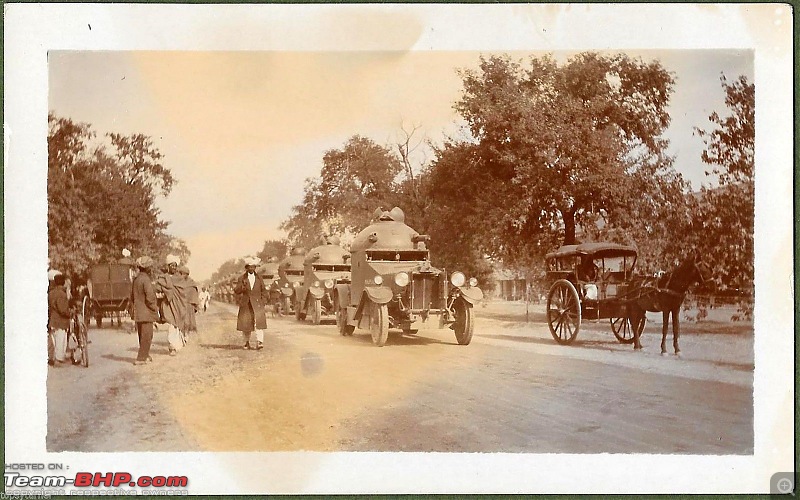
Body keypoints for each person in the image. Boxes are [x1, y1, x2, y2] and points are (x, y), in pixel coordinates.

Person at [154, 254, 188, 356]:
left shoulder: (180, 278)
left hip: (178, 305)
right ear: (168, 266)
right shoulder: (163, 278)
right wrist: (164, 293)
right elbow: (157, 288)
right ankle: (172, 346)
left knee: (176, 324)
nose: (173, 267)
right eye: (171, 265)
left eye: (175, 266)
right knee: (172, 324)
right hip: (167, 304)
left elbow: (183, 292)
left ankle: (176, 345)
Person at [235, 257, 268, 350]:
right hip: (246, 304)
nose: (251, 269)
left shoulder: (259, 278)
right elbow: (236, 290)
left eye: (253, 267)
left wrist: (263, 301)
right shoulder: (241, 278)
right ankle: (246, 342)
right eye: (249, 267)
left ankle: (260, 342)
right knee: (246, 324)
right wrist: (242, 287)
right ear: (246, 268)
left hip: (258, 304)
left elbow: (264, 291)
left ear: (255, 268)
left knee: (259, 324)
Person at [130, 256, 158, 365]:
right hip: (146, 312)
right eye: (150, 267)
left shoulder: (136, 279)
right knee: (147, 335)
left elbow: (131, 296)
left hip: (138, 312)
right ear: (147, 268)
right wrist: (155, 308)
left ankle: (145, 355)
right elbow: (150, 297)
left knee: (142, 335)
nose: (151, 269)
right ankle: (141, 358)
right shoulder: (146, 280)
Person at [48, 272, 70, 366]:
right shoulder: (62, 294)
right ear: (63, 282)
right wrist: (70, 313)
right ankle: (58, 360)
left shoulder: (51, 293)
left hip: (52, 320)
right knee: (61, 340)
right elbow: (63, 310)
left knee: (53, 341)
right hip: (61, 321)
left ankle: (52, 358)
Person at [178, 266, 199, 343]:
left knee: (187, 322)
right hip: (180, 304)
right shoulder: (179, 282)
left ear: (187, 274)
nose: (181, 275)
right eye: (180, 274)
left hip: (189, 305)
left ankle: (186, 335)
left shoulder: (191, 283)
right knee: (180, 321)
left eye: (183, 274)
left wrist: (195, 305)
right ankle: (182, 335)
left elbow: (194, 295)